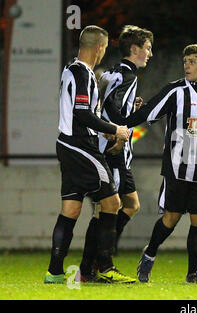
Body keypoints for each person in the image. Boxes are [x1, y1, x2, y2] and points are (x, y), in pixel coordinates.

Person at [121, 43, 197, 283]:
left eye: (192, 62)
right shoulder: (175, 91)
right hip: (176, 167)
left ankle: (192, 273)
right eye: (185, 61)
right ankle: (149, 254)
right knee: (172, 217)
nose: (187, 66)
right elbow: (148, 113)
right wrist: (119, 125)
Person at [44, 25, 136, 284]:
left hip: (66, 144)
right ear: (99, 47)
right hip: (81, 147)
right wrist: (114, 129)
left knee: (71, 209)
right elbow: (81, 113)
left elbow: (82, 113)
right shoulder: (83, 73)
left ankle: (54, 272)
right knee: (113, 204)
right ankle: (105, 267)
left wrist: (102, 131)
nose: (105, 51)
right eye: (105, 47)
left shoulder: (69, 70)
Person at [78, 25, 153, 282]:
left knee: (128, 205)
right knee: (111, 207)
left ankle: (93, 262)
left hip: (107, 148)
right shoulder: (128, 76)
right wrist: (120, 132)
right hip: (113, 151)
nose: (150, 54)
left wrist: (130, 109)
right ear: (134, 49)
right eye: (147, 48)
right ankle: (98, 264)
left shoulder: (112, 73)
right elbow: (110, 106)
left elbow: (104, 102)